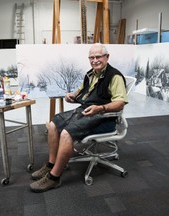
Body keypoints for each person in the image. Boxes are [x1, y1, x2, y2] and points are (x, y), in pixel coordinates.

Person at [30, 43, 127, 192]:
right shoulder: (90, 74)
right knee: (52, 124)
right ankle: (51, 163)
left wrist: (100, 108)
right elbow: (82, 91)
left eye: (98, 57)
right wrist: (72, 96)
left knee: (66, 133)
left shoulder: (115, 77)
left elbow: (120, 103)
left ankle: (54, 177)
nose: (95, 60)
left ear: (107, 57)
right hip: (86, 110)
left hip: (104, 117)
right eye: (91, 57)